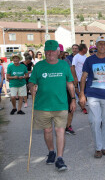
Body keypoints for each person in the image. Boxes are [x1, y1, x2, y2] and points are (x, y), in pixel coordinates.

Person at [28, 40, 76, 171]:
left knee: (60, 130)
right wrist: (32, 88)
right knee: (47, 130)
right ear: (44, 52)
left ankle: (60, 159)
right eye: (47, 51)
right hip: (42, 105)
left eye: (52, 50)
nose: (50, 53)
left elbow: (70, 83)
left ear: (58, 52)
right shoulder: (38, 66)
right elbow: (31, 82)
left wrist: (73, 99)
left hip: (60, 104)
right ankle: (51, 151)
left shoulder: (64, 66)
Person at [79, 36, 105, 158]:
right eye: (100, 44)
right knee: (95, 121)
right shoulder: (89, 60)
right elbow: (83, 77)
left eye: (104, 44)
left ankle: (104, 147)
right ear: (96, 45)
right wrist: (81, 94)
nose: (102, 46)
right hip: (92, 94)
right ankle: (98, 148)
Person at [72, 44, 88, 114]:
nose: (87, 50)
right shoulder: (76, 57)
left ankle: (80, 103)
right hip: (79, 79)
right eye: (86, 48)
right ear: (83, 49)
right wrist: (75, 77)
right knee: (81, 94)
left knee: (86, 94)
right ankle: (83, 107)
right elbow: (72, 67)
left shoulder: (85, 57)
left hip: (86, 79)